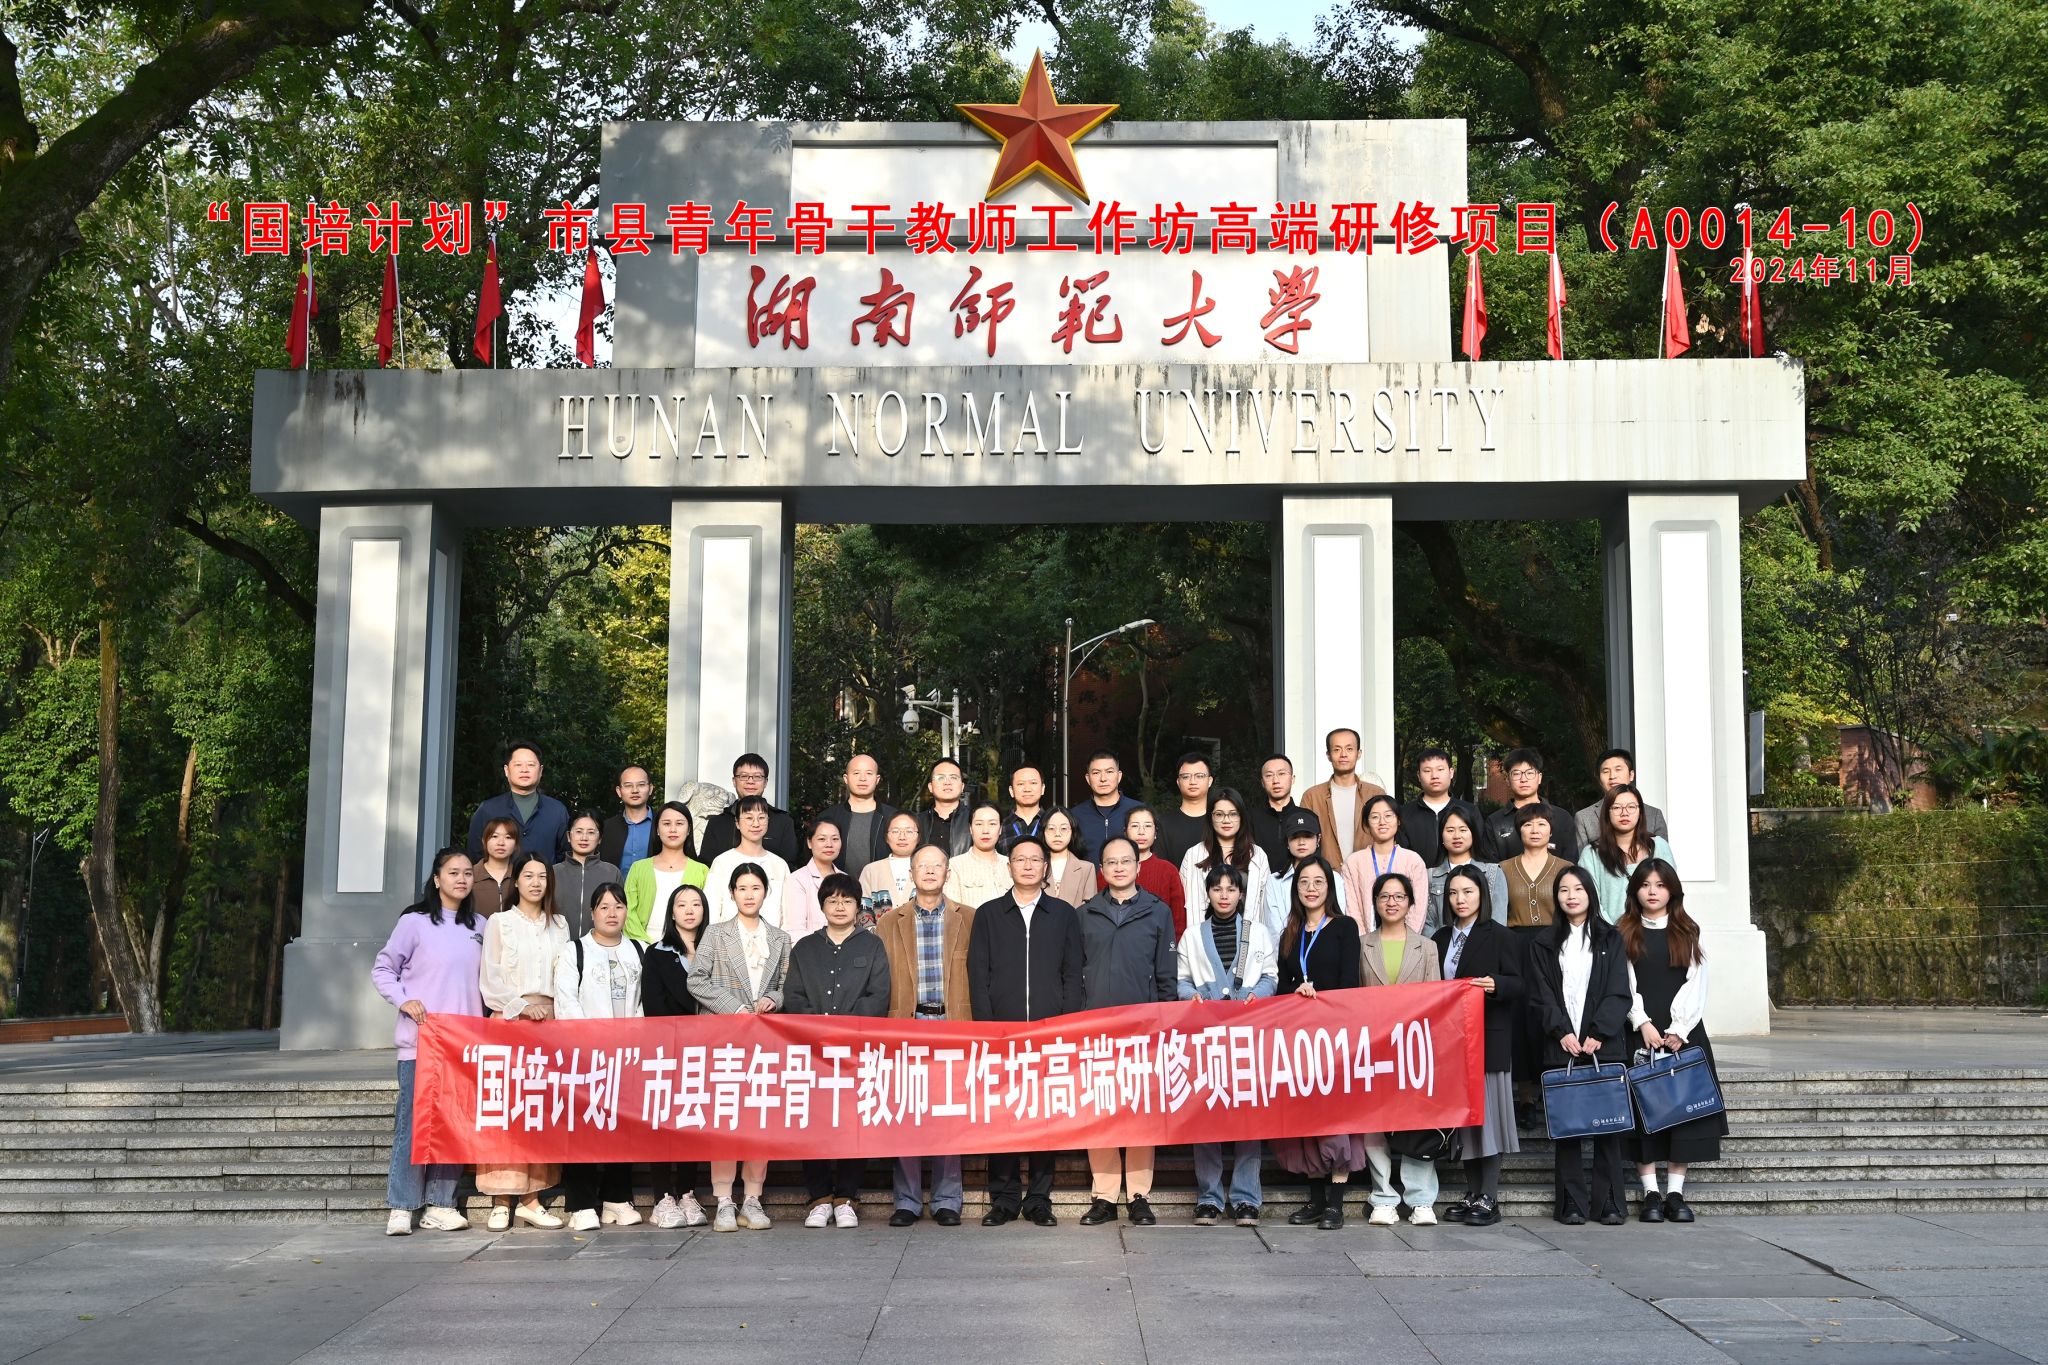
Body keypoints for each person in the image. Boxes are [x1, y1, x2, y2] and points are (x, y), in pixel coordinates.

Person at [968, 834, 1085, 1227]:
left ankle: (1038, 1199)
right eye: (1021, 859)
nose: (1029, 865)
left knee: (1044, 1117)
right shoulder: (989, 914)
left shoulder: (1063, 914)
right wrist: (988, 1031)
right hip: (1002, 1035)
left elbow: (1072, 974)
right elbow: (978, 976)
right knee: (1003, 1116)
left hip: (1050, 1034)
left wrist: (1066, 1026)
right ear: (1010, 866)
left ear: (1045, 867)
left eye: (1036, 859)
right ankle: (1003, 1199)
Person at [372, 848, 485, 1236]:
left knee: (453, 1125)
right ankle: (402, 1205)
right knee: (413, 1125)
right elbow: (383, 969)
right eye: (453, 872)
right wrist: (404, 1000)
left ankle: (440, 1203)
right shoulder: (414, 923)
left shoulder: (481, 926)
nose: (461, 879)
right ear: (436, 880)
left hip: (464, 1045)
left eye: (467, 873)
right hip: (421, 1041)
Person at [1077, 836, 1177, 1227]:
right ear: (1101, 870)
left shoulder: (1158, 911)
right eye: (1111, 862)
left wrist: (1165, 1023)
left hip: (1144, 1030)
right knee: (1100, 1110)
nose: (1119, 868)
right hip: (1096, 1029)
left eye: (1126, 861)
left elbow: (1166, 975)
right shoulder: (1085, 914)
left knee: (1140, 1111)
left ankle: (1138, 1195)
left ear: (1138, 866)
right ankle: (1104, 1195)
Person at [784, 872, 892, 1229]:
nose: (840, 907)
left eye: (847, 900)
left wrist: (845, 1030)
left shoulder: (872, 946)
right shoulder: (805, 949)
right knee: (813, 1122)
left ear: (858, 905)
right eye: (833, 901)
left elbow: (879, 996)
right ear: (822, 906)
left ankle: (846, 1197)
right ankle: (818, 1198)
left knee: (853, 1121)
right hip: (813, 1051)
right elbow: (793, 997)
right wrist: (819, 1030)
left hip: (855, 1052)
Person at [687, 864, 792, 1231]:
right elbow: (696, 980)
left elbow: (785, 984)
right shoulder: (716, 934)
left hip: (764, 1041)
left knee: (759, 1118)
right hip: (723, 1040)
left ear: (766, 893)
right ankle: (723, 1200)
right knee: (726, 1118)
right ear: (731, 893)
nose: (749, 894)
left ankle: (752, 1198)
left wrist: (774, 1000)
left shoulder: (780, 938)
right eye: (742, 888)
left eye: (756, 887)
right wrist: (734, 1007)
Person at [1620, 859, 1725, 1224]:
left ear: (1672, 891)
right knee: (1642, 1114)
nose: (1653, 892)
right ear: (1635, 890)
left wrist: (1679, 1028)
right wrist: (1642, 1022)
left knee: (1685, 1113)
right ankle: (1651, 1192)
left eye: (1660, 885)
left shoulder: (1688, 930)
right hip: (1639, 1033)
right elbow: (1623, 982)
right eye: (1645, 885)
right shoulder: (1624, 931)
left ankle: (1676, 1193)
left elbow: (1698, 982)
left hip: (1685, 1034)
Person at [876, 844, 975, 1226]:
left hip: (953, 1027)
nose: (930, 871)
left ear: (948, 873)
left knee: (949, 1114)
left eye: (937, 866)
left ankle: (948, 1200)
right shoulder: (890, 922)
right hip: (907, 1026)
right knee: (907, 1112)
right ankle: (907, 1201)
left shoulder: (969, 918)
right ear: (912, 874)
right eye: (923, 866)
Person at [1530, 865, 1632, 1226]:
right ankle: (1571, 1202)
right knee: (1568, 1127)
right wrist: (1561, 1031)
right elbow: (1540, 994)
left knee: (1608, 1126)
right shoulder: (1544, 942)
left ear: (1590, 893)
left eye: (1578, 889)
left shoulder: (1611, 938)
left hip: (1603, 1045)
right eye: (1563, 890)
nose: (1571, 896)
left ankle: (1609, 1202)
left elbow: (1619, 990)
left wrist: (1599, 1032)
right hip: (1563, 1046)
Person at [1176, 864, 1275, 1227]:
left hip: (1248, 1036)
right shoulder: (1192, 936)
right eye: (1217, 888)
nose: (1224, 895)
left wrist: (1255, 995)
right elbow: (1181, 981)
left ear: (1240, 894)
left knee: (1248, 1115)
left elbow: (1270, 976)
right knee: (1206, 1113)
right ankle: (1209, 1197)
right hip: (1207, 1037)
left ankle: (1246, 1198)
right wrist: (1193, 997)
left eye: (1231, 889)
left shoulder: (1257, 933)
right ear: (1208, 893)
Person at [476, 851, 570, 1229]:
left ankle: (532, 1199)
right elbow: (490, 977)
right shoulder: (500, 922)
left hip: (549, 1023)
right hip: (509, 1020)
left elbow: (565, 975)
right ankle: (501, 1199)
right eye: (528, 876)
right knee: (507, 1109)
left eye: (542, 876)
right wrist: (521, 1007)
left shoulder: (559, 924)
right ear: (516, 882)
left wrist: (555, 1012)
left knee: (538, 1110)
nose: (535, 883)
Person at [1271, 856, 1365, 1229]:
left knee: (1335, 1117)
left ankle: (1335, 1204)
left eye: (1318, 881)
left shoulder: (1344, 927)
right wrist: (1296, 991)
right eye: (1304, 882)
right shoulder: (1289, 932)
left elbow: (1350, 983)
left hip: (1334, 1036)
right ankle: (1316, 1199)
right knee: (1306, 1117)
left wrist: (1319, 994)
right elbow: (1280, 985)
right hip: (1298, 1038)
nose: (1311, 888)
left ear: (1330, 886)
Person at [1431, 865, 1522, 1228]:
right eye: (1453, 892)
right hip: (1451, 1041)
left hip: (1488, 1037)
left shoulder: (1500, 936)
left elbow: (1520, 984)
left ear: (1482, 895)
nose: (1460, 899)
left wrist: (1496, 984)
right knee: (1465, 1121)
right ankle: (1472, 1192)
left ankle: (1489, 1196)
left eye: (1468, 892)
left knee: (1489, 1119)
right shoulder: (1440, 938)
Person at [551, 882, 646, 1231]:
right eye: (604, 907)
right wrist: (592, 1042)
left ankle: (616, 1199)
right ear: (592, 913)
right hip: (586, 1055)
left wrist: (634, 1042)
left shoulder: (638, 949)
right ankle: (581, 1204)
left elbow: (643, 1003)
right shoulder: (575, 950)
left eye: (618, 906)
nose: (611, 913)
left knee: (623, 1127)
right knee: (584, 1127)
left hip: (628, 1055)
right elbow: (566, 1001)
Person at [1359, 871, 1443, 1227]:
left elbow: (1437, 999)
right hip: (1372, 1046)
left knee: (1417, 1120)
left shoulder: (1427, 947)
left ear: (1410, 903)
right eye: (1384, 896)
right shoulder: (1362, 944)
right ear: (1375, 902)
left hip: (1414, 1046)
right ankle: (1382, 1196)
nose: (1391, 902)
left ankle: (1420, 1199)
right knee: (1374, 1123)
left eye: (1399, 896)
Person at [641, 883, 709, 1229]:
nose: (689, 910)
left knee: (692, 1122)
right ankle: (662, 1197)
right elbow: (653, 1005)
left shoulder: (714, 949)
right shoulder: (657, 953)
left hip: (708, 1050)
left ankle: (687, 1192)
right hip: (668, 1050)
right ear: (671, 912)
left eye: (696, 904)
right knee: (664, 1123)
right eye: (682, 905)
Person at [1178, 787, 1271, 937]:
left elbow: (1265, 905)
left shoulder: (1257, 855)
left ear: (1242, 817)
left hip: (1247, 937)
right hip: (1204, 936)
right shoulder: (1194, 854)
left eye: (1233, 814)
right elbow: (1183, 903)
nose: (1226, 820)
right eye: (1219, 814)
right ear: (1210, 817)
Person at [1578, 784, 1676, 924]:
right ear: (1607, 813)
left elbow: (1672, 891)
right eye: (1617, 807)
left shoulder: (1659, 846)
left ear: (1640, 812)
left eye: (1631, 807)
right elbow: (1590, 899)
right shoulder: (1591, 854)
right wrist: (1612, 932)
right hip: (1609, 932)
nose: (1624, 813)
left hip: (1655, 929)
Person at [466, 740, 570, 864]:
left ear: (541, 770)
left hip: (544, 877)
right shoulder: (488, 810)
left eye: (531, 765)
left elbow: (565, 856)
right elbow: (476, 855)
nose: (524, 770)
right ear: (506, 770)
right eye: (518, 765)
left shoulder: (557, 811)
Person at [1341, 793, 1429, 936]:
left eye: (1388, 816)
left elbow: (1418, 908)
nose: (1382, 822)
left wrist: (1406, 940)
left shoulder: (1413, 861)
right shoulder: (1353, 863)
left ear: (1398, 821)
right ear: (1366, 824)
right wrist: (1364, 942)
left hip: (1406, 941)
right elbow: (1352, 910)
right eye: (1375, 817)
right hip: (1365, 941)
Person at [1300, 728, 1388, 865]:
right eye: (1336, 749)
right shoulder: (1312, 796)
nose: (1343, 755)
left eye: (1349, 749)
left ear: (1359, 753)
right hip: (1326, 874)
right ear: (1328, 755)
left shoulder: (1375, 794)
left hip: (1369, 871)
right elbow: (1304, 839)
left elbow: (1387, 837)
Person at [623, 801, 708, 943]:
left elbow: (707, 915)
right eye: (667, 824)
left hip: (688, 948)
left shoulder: (702, 871)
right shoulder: (638, 868)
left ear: (688, 829)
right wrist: (644, 946)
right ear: (657, 829)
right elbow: (628, 911)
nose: (673, 829)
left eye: (679, 824)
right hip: (642, 947)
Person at [696, 753, 802, 866]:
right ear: (734, 781)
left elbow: (789, 866)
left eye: (757, 777)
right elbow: (706, 866)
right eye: (744, 776)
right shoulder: (717, 823)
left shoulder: (783, 821)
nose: (750, 781)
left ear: (765, 782)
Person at [705, 795, 792, 927]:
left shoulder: (779, 865)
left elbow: (787, 914)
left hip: (772, 937)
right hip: (728, 937)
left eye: (761, 818)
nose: (756, 824)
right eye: (749, 818)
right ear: (737, 823)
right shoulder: (722, 862)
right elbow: (712, 910)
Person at [1482, 747, 1580, 863]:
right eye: (1516, 774)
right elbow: (1491, 868)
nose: (1523, 779)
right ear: (1508, 780)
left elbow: (1571, 863)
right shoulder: (1495, 822)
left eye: (1529, 773)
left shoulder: (1561, 817)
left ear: (1540, 778)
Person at [1426, 802, 1508, 937]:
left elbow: (1498, 922)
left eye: (1463, 830)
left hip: (1484, 946)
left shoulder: (1493, 873)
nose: (1457, 836)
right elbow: (1428, 924)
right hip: (1442, 947)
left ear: (1473, 834)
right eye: (1450, 830)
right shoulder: (1429, 876)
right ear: (1441, 836)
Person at [1264, 809, 1348, 939]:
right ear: (1287, 842)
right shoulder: (1274, 881)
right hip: (1286, 947)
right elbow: (1274, 929)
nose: (1301, 842)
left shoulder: (1334, 878)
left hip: (1327, 945)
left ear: (1318, 839)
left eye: (1308, 836)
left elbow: (1338, 919)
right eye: (1295, 836)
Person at [816, 753, 898, 877]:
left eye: (869, 773)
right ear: (846, 778)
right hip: (837, 887)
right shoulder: (828, 818)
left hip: (882, 887)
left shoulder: (893, 818)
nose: (862, 778)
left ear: (877, 779)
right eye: (856, 773)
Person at [1574, 747, 1670, 851]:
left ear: (1631, 775)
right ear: (1599, 779)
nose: (1612, 776)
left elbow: (1662, 857)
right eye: (1606, 771)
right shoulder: (1584, 817)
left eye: (1618, 769)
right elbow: (1583, 858)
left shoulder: (1654, 815)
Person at [554, 811, 620, 939]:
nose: (584, 838)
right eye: (579, 831)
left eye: (591, 832)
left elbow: (620, 912)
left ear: (600, 838)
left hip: (600, 946)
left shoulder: (612, 873)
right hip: (559, 946)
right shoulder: (553, 873)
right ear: (568, 836)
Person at [1125, 806, 1189, 936]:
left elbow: (1178, 920)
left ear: (1155, 833)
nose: (1141, 832)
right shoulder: (1112, 869)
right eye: (1135, 826)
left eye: (1148, 826)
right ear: (1125, 832)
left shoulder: (1168, 870)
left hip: (1161, 942)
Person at [1068, 748, 1142, 857]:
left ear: (1119, 776)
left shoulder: (1139, 811)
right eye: (1096, 773)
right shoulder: (1074, 816)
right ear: (1088, 778)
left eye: (1109, 772)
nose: (1103, 778)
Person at [783, 817, 846, 940]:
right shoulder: (797, 880)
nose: (829, 844)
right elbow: (795, 930)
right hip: (810, 949)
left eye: (835, 839)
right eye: (822, 839)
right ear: (809, 843)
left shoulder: (846, 880)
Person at [859, 811, 924, 926]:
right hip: (878, 937)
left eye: (909, 831)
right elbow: (862, 912)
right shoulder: (871, 870)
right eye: (895, 831)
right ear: (886, 837)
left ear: (918, 837)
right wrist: (875, 936)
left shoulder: (929, 869)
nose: (902, 837)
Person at [944, 803, 1014, 908]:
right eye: (979, 824)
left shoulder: (1011, 864)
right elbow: (952, 910)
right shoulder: (955, 866)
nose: (985, 831)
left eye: (992, 824)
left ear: (1000, 829)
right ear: (970, 828)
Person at [1398, 747, 1459, 865]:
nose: (1434, 776)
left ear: (1451, 772)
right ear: (1419, 776)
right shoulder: (1404, 814)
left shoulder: (1469, 811)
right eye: (1427, 771)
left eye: (1440, 769)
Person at [1155, 752, 1216, 866]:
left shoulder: (1220, 821)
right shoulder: (1163, 823)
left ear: (1210, 781)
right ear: (1178, 782)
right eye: (1186, 776)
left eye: (1199, 776)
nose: (1193, 782)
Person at [1248, 753, 1307, 869]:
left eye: (1281, 774)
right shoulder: (1250, 817)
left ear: (1292, 779)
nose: (1275, 780)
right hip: (1260, 879)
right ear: (1262, 782)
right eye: (1269, 775)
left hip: (1298, 879)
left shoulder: (1307, 817)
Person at [599, 763, 658, 875]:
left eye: (641, 785)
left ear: (650, 789)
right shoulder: (607, 828)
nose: (635, 790)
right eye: (628, 785)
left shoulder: (662, 824)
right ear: (619, 791)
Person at [918, 757, 974, 856]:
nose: (947, 782)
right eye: (940, 778)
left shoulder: (975, 820)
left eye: (953, 777)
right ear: (930, 787)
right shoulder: (916, 822)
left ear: (962, 786)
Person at [1043, 808, 1098, 905]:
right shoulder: (1034, 866)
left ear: (1072, 832)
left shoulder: (1087, 868)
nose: (1057, 834)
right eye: (1051, 828)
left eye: (1064, 829)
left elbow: (1090, 908)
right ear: (1044, 832)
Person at [471, 816, 520, 918]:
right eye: (494, 836)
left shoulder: (521, 876)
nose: (501, 843)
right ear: (484, 841)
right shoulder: (470, 875)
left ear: (516, 844)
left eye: (508, 837)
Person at [1002, 765, 1049, 847]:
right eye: (1021, 784)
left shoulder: (1053, 824)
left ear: (1043, 788)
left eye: (1033, 783)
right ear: (1011, 791)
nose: (1027, 789)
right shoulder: (1000, 827)